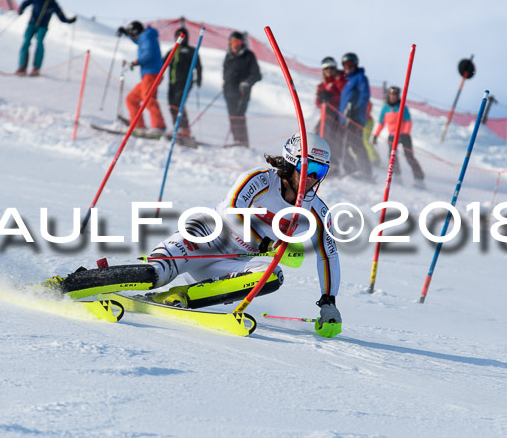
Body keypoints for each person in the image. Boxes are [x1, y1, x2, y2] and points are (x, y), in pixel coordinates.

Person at [50, 133, 343, 337]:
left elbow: (328, 254)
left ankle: (177, 298)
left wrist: (328, 302)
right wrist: (269, 238)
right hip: (206, 236)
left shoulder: (315, 210)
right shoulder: (260, 180)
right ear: (292, 162)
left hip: (232, 262)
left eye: (321, 170)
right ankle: (67, 283)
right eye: (310, 168)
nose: (314, 178)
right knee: (154, 273)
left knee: (272, 275)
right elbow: (232, 209)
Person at [15, 0, 76, 76]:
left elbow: (61, 17)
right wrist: (21, 9)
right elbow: (25, 3)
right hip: (31, 24)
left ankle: (36, 68)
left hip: (43, 27)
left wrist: (69, 21)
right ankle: (22, 67)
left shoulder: (54, 5)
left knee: (39, 43)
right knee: (26, 42)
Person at [117, 20, 167, 132]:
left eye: (133, 34)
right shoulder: (145, 37)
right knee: (132, 99)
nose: (133, 37)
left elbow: (149, 54)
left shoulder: (148, 37)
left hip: (152, 73)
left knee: (148, 99)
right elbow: (138, 42)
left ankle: (159, 126)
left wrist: (136, 62)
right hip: (148, 74)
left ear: (136, 32)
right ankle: (138, 125)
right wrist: (126, 32)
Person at [373, 86, 425, 186]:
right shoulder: (385, 108)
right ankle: (397, 175)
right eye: (392, 95)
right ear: (389, 96)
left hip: (403, 135)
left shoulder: (402, 107)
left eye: (395, 95)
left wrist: (405, 134)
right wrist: (376, 135)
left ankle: (419, 178)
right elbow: (381, 123)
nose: (393, 97)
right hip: (392, 136)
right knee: (392, 156)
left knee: (409, 156)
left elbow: (408, 122)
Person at [222, 31, 261, 147]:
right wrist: (225, 83)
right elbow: (225, 72)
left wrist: (248, 82)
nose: (235, 44)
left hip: (242, 92)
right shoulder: (228, 55)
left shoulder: (248, 56)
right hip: (229, 91)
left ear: (242, 42)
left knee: (239, 116)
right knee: (232, 116)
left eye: (237, 41)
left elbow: (257, 75)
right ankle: (237, 141)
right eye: (232, 41)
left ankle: (243, 141)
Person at [338, 52, 373, 181]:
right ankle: (352, 169)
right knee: (344, 144)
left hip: (355, 117)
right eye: (344, 64)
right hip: (345, 118)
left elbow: (364, 95)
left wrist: (356, 108)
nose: (347, 67)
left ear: (355, 64)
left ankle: (366, 172)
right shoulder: (348, 80)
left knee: (355, 143)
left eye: (350, 64)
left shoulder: (360, 77)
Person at [164, 26, 202, 137]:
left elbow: (198, 66)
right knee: (172, 104)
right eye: (177, 36)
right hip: (172, 81)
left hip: (185, 81)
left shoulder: (190, 51)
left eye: (181, 36)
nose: (179, 39)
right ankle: (177, 127)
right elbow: (163, 63)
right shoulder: (172, 51)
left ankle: (184, 128)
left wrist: (199, 78)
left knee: (178, 103)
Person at [315, 56, 347, 153]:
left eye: (331, 68)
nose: (329, 70)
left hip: (337, 117)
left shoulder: (341, 81)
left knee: (334, 141)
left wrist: (331, 96)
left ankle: (334, 163)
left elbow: (343, 98)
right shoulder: (322, 85)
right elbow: (317, 103)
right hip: (326, 117)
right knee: (317, 136)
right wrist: (321, 99)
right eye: (326, 68)